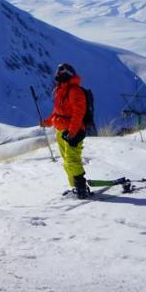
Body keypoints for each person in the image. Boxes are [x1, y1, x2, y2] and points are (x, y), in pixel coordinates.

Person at [41, 62, 91, 198]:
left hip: (73, 131)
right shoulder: (60, 91)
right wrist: (47, 122)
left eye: (61, 72)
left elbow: (78, 114)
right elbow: (57, 112)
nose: (58, 74)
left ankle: (81, 188)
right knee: (67, 161)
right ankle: (76, 187)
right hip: (61, 130)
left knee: (72, 159)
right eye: (58, 72)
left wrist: (73, 132)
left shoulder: (75, 91)